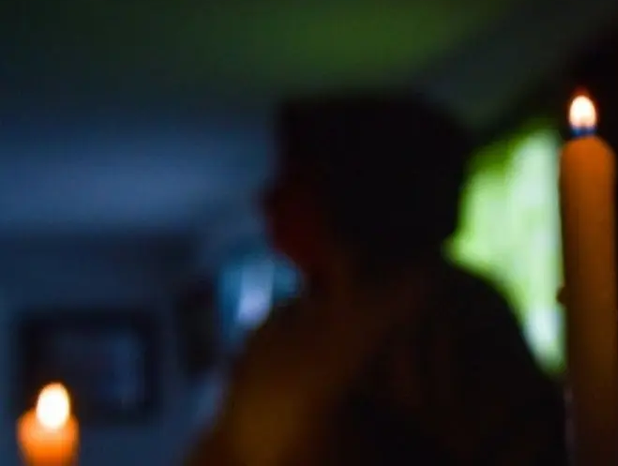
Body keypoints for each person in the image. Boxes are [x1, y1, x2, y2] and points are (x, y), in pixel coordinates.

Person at [185, 93, 567, 465]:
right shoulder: (280, 334)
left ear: (348, 187)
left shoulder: (445, 313)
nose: (267, 200)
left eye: (294, 178)